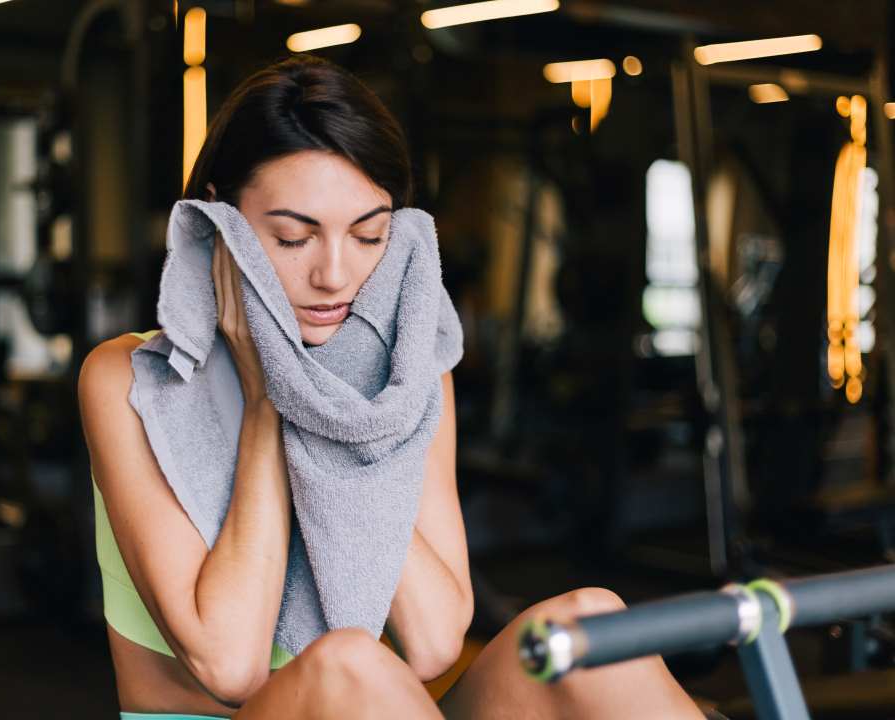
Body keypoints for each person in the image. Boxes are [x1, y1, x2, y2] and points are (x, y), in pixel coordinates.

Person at [78, 53, 707, 719]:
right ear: (219, 222)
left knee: (592, 626)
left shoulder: (411, 376)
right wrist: (271, 400)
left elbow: (435, 641)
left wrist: (341, 406)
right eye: (293, 239)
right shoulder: (131, 380)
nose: (335, 275)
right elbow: (230, 666)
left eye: (369, 235)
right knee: (351, 666)